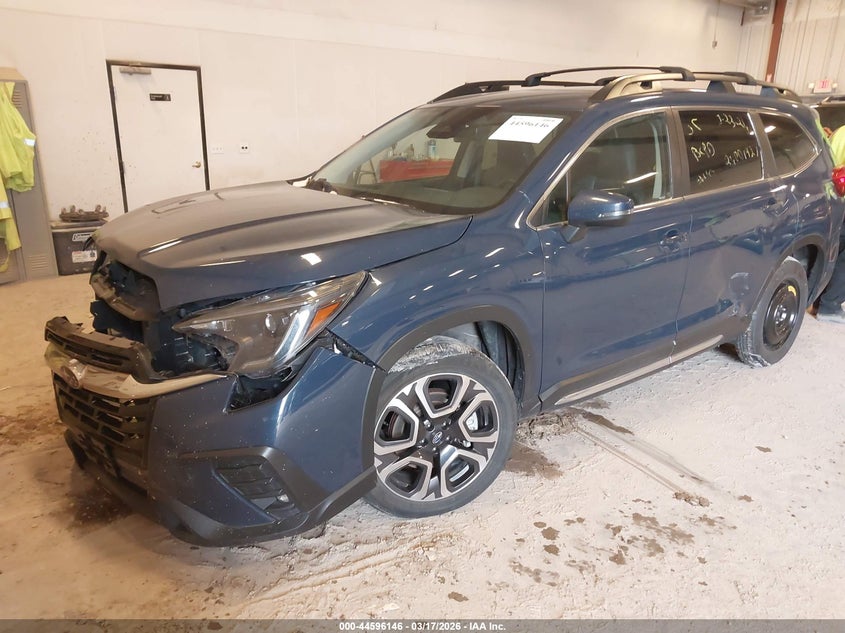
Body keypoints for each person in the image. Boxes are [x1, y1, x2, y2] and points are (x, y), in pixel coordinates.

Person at [817, 125, 845, 323]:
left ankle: (820, 298)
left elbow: (829, 163)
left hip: (835, 198)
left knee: (836, 247)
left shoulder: (841, 131)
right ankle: (830, 305)